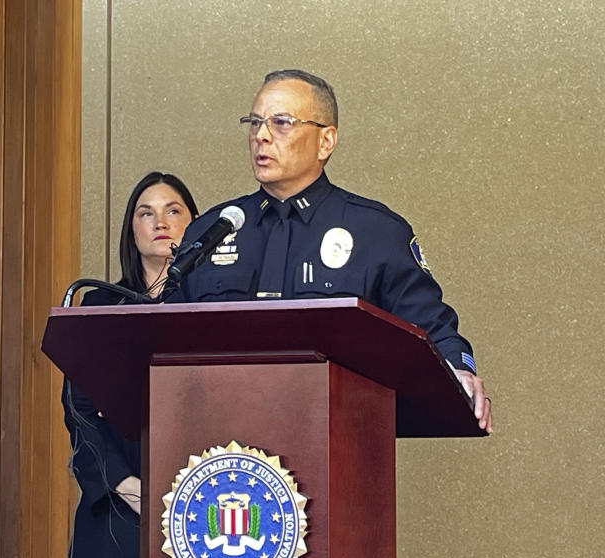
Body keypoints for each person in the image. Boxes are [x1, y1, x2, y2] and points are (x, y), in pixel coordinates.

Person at [174, 69, 492, 432]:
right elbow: (166, 337)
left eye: (281, 122)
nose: (261, 136)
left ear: (326, 141)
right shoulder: (212, 231)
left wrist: (460, 370)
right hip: (219, 445)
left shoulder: (376, 232)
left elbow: (431, 329)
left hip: (336, 441)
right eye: (254, 122)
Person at [64, 171, 198, 558]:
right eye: (146, 212)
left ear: (195, 225)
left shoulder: (218, 306)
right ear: (132, 230)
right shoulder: (101, 306)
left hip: (204, 505)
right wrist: (123, 482)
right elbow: (80, 410)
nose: (160, 221)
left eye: (173, 210)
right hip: (118, 512)